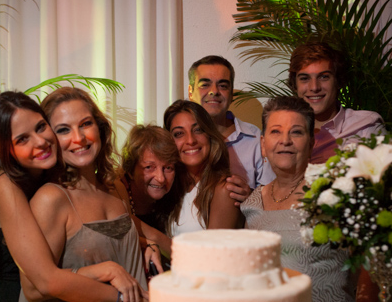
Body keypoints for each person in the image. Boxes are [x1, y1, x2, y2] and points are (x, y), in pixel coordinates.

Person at [0, 92, 144, 302]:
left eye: (41, 127)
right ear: (4, 150)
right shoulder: (4, 184)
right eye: (22, 139)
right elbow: (45, 280)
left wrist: (148, 245)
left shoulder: (46, 177)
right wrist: (126, 296)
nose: (40, 141)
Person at [16, 87, 148, 302]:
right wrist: (106, 271)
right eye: (63, 130)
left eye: (85, 124)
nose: (79, 138)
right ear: (49, 140)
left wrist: (149, 243)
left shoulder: (115, 188)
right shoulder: (51, 198)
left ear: (99, 128)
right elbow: (34, 287)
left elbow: (118, 246)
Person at [241, 96, 356, 302]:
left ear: (312, 142)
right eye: (275, 132)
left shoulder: (332, 194)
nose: (285, 141)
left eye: (297, 132)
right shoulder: (252, 203)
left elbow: (369, 264)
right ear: (263, 144)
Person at [188, 55, 275, 203]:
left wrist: (251, 197)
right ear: (190, 92)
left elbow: (274, 195)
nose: (214, 91)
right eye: (205, 84)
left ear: (231, 95)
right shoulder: (179, 139)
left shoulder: (255, 139)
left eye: (223, 85)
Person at [288, 42, 386, 164]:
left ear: (338, 81)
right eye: (304, 78)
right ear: (295, 84)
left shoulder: (366, 127)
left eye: (324, 77)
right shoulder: (283, 131)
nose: (314, 87)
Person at [163, 100, 243, 236]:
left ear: (210, 135)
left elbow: (211, 255)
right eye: (179, 134)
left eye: (198, 130)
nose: (191, 140)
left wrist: (152, 236)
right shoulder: (170, 187)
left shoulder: (224, 190)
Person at [118, 124, 186, 234]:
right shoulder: (116, 198)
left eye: (168, 168)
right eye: (149, 167)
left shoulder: (175, 198)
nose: (161, 178)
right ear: (130, 170)